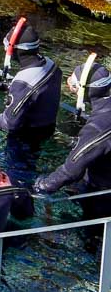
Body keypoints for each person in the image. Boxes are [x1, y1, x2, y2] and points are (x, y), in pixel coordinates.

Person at [34, 57, 111, 217]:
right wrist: (75, 142)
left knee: (93, 236)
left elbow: (71, 171)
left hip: (102, 195)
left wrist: (42, 186)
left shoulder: (98, 126)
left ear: (85, 90)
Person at [0, 18, 61, 140]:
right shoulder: (51, 65)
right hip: (48, 128)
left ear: (14, 50)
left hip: (27, 139)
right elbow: (37, 92)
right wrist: (4, 86)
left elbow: (9, 124)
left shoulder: (23, 83)